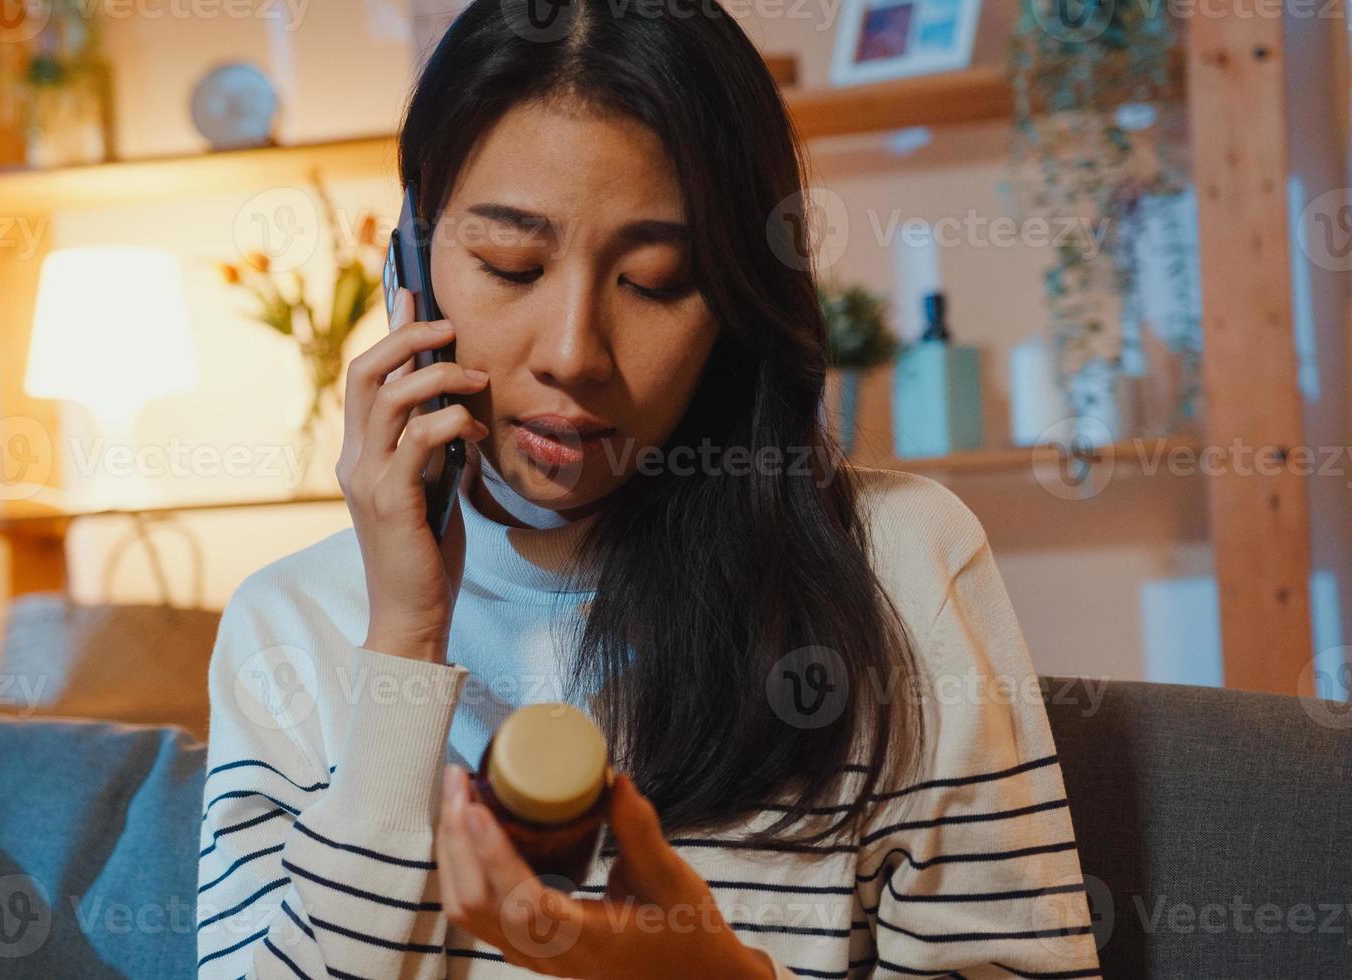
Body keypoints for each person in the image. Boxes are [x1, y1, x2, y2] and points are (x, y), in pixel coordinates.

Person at [195, 0, 1101, 976]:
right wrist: (403, 646)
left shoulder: (900, 562)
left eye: (657, 280)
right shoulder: (289, 625)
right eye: (511, 265)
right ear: (409, 268)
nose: (575, 352)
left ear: (735, 301)